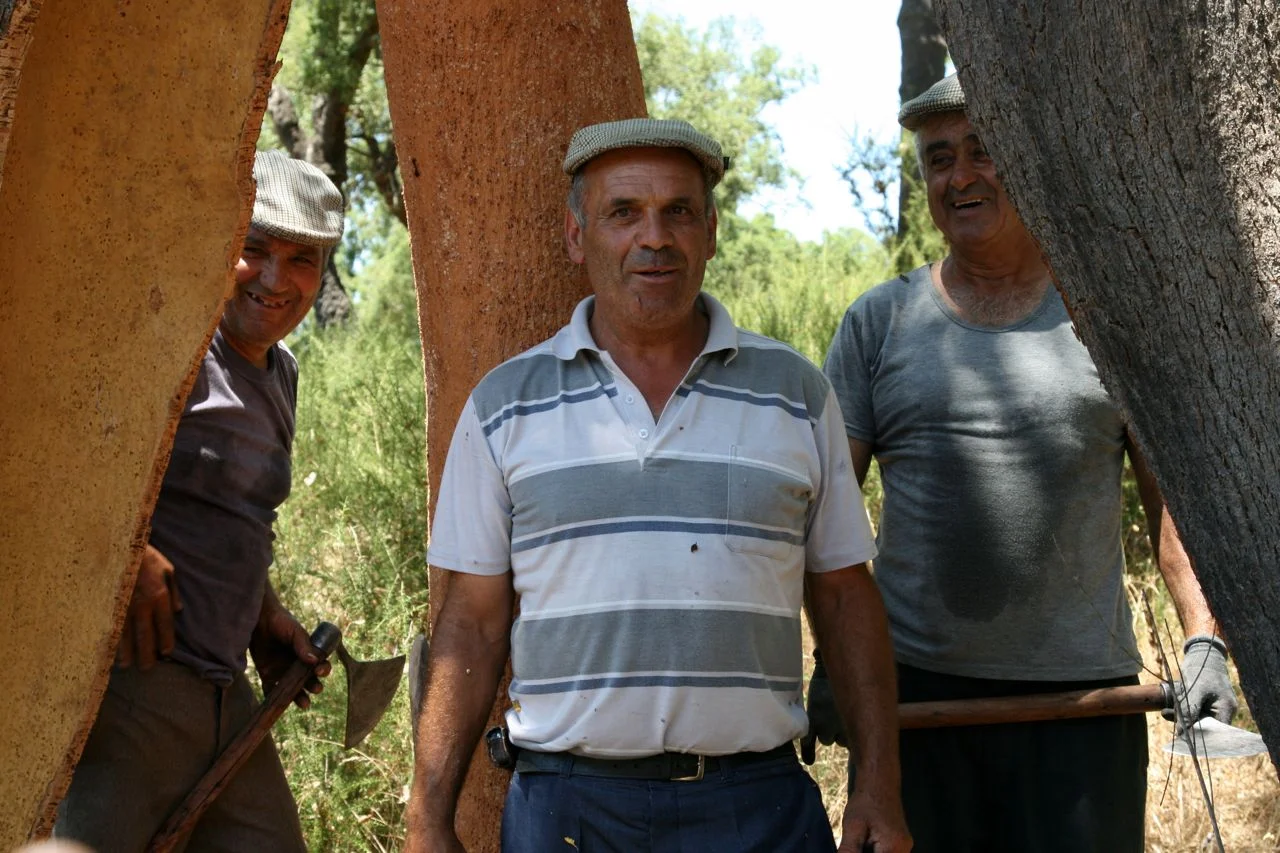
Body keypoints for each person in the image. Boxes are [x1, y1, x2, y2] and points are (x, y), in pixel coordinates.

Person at [404, 118, 912, 853]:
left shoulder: (795, 394)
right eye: (623, 213)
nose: (655, 237)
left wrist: (878, 786)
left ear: (711, 232)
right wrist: (428, 819)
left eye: (678, 211)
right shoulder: (505, 405)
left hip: (757, 807)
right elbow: (473, 623)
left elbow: (842, 595)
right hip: (568, 809)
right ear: (577, 236)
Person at [812, 74, 1239, 852]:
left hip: (1085, 707)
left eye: (984, 150)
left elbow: (1172, 502)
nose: (960, 176)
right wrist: (830, 666)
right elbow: (825, 516)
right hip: (917, 705)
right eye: (940, 158)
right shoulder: (880, 322)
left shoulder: (1108, 316)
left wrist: (1203, 638)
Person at [55, 150, 344, 852]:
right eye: (254, 249)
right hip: (132, 689)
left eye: (301, 259)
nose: (274, 279)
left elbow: (239, 516)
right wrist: (126, 551)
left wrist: (265, 616)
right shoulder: (164, 344)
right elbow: (55, 467)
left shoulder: (283, 374)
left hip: (225, 693)